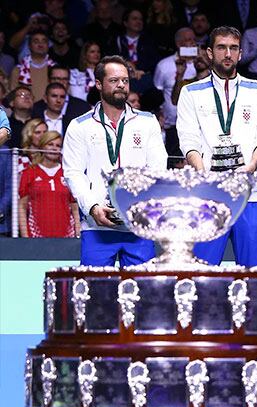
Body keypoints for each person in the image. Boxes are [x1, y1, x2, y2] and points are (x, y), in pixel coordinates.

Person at [176, 26, 257, 267]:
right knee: (202, 275)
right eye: (221, 47)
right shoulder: (191, 92)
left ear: (240, 54)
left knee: (254, 275)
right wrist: (204, 174)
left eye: (233, 48)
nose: (227, 53)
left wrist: (250, 166)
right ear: (209, 52)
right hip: (208, 196)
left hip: (250, 194)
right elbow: (188, 140)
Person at [62, 55, 168, 266]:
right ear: (99, 84)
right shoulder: (80, 126)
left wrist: (140, 205)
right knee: (96, 294)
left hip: (138, 224)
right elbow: (73, 173)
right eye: (114, 80)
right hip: (97, 225)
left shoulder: (147, 122)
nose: (121, 84)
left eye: (125, 80)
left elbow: (157, 167)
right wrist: (92, 207)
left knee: (142, 293)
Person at [18, 131, 80, 238]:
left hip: (66, 236)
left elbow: (74, 207)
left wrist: (78, 232)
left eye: (58, 146)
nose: (54, 148)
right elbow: (22, 207)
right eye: (50, 144)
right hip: (36, 236)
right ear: (42, 146)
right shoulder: (29, 172)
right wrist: (25, 236)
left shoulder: (68, 173)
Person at [154, 28, 198, 133]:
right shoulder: (164, 65)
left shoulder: (202, 63)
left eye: (194, 40)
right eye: (188, 40)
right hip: (172, 125)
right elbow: (157, 93)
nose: (192, 43)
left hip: (197, 124)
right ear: (179, 44)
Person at [9, 31, 55, 102]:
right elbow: (13, 97)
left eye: (44, 41)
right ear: (29, 46)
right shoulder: (18, 70)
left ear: (48, 45)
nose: (40, 44)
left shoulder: (55, 69)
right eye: (36, 41)